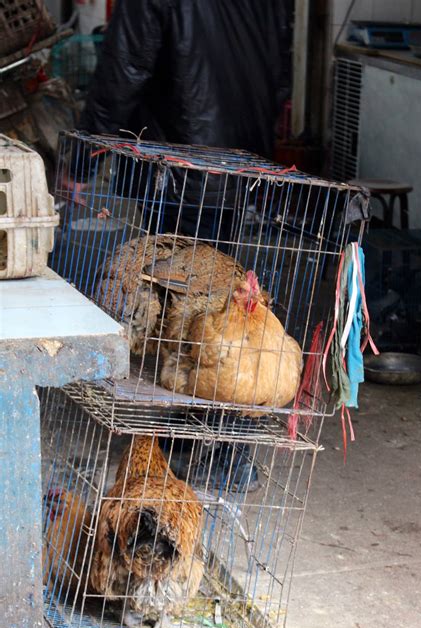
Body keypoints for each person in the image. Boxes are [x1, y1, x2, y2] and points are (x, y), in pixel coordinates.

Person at [77, 0, 293, 492]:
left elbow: (125, 68)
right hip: (241, 165)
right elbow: (281, 77)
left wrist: (84, 158)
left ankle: (181, 450)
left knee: (182, 318)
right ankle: (226, 451)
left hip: (178, 165)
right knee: (227, 312)